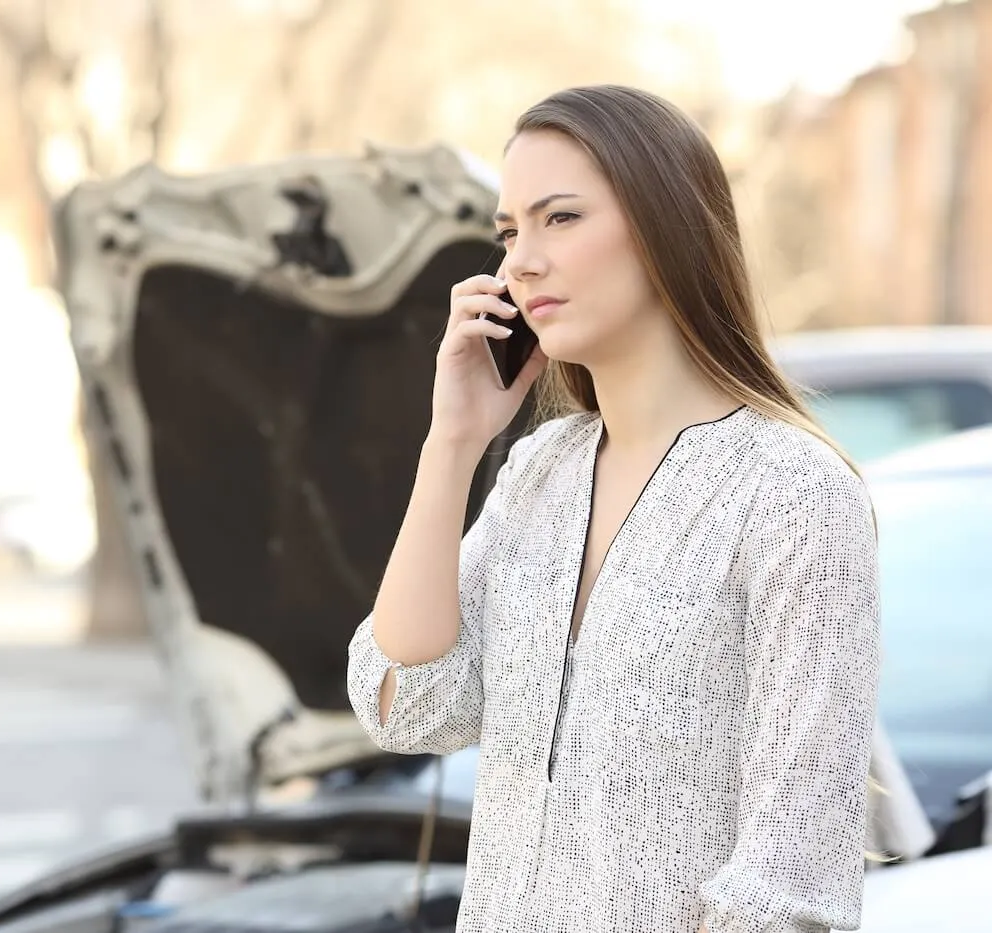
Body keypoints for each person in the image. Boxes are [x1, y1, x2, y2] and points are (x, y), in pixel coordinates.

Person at [345, 85, 881, 933]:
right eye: (509, 231)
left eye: (560, 218)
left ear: (666, 226)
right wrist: (450, 445)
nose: (519, 261)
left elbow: (790, 887)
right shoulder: (536, 472)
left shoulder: (794, 495)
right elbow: (408, 703)